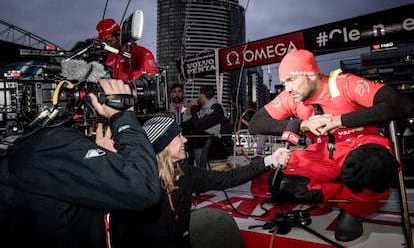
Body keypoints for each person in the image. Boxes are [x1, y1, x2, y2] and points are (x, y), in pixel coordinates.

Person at [248, 48, 414, 242]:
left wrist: (340, 120)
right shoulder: (292, 97)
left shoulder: (344, 83)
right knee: (271, 178)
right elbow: (255, 123)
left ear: (310, 73)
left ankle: (354, 210)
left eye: (291, 80)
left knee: (373, 166)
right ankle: (342, 192)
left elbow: (401, 105)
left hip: (361, 145)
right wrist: (302, 124)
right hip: (322, 154)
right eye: (284, 82)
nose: (287, 88)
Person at [0, 79, 160, 248]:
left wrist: (107, 162)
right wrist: (123, 117)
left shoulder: (22, 147)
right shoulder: (50, 145)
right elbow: (142, 187)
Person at [99, 115, 291, 248]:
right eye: (178, 136)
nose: (185, 140)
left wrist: (269, 161)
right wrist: (109, 163)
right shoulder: (140, 180)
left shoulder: (184, 172)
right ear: (163, 145)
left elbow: (227, 178)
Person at [180, 85, 233, 167]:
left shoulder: (216, 108)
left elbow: (200, 125)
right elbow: (190, 123)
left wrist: (194, 108)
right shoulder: (203, 109)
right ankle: (188, 166)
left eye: (198, 95)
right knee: (185, 135)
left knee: (194, 137)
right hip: (207, 142)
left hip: (219, 144)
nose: (197, 98)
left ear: (202, 95)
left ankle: (191, 167)